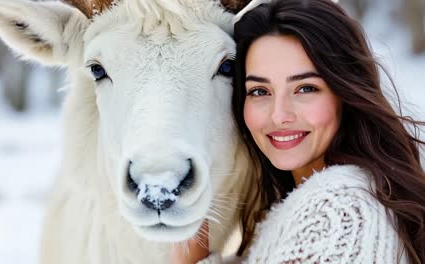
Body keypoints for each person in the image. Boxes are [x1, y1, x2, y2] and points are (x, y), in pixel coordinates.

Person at [170, 0, 425, 263]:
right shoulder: (350, 195)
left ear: (344, 92)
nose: (279, 116)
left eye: (305, 88)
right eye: (260, 91)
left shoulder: (335, 210)